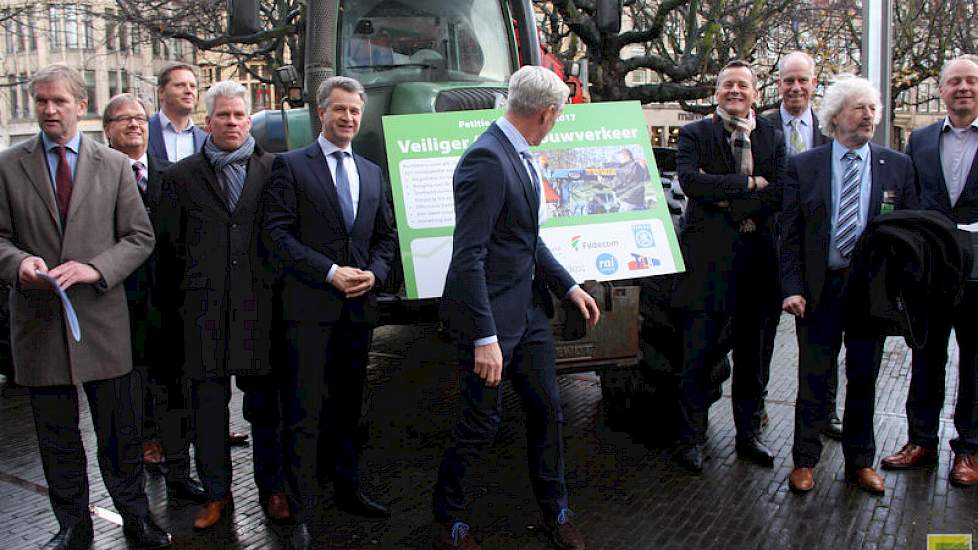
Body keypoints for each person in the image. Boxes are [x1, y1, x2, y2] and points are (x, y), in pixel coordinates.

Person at [431, 65, 601, 550]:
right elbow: (469, 257)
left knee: (548, 411)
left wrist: (568, 286)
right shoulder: (487, 159)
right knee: (480, 423)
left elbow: (525, 240)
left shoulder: (517, 153)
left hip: (528, 314)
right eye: (559, 116)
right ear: (547, 113)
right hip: (491, 322)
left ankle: (557, 510)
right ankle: (449, 517)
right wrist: (485, 339)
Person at [0, 64, 169, 549]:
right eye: (41, 101)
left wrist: (96, 269)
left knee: (120, 433)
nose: (49, 110)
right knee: (56, 438)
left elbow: (140, 237)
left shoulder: (113, 165)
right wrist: (20, 264)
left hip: (102, 321)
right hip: (38, 323)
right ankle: (73, 524)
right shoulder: (9, 166)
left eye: (59, 101)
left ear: (80, 105)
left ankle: (136, 517)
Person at [263, 75, 397, 550]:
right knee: (303, 412)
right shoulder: (290, 166)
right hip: (307, 312)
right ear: (322, 113)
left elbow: (385, 239)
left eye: (355, 111)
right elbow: (276, 236)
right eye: (339, 109)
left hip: (357, 313)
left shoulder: (373, 172)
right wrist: (329, 272)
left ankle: (348, 490)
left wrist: (375, 275)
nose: (348, 118)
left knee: (349, 409)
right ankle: (300, 511)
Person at [156, 80, 284, 529]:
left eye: (239, 115)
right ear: (207, 122)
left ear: (249, 120)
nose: (231, 122)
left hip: (259, 313)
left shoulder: (274, 171)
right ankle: (217, 494)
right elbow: (167, 251)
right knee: (207, 413)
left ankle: (272, 489)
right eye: (223, 116)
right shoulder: (179, 177)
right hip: (202, 315)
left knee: (266, 411)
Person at [781, 75, 918, 496]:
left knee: (864, 378)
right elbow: (788, 233)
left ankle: (860, 462)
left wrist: (898, 293)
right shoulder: (805, 165)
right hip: (819, 291)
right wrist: (791, 287)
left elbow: (907, 235)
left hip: (869, 293)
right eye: (859, 108)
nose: (868, 116)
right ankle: (804, 461)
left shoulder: (897, 165)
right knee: (813, 378)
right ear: (836, 116)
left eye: (872, 109)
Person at [672, 60, 786, 473]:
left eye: (743, 85)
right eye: (727, 85)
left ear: (756, 93)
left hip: (758, 266)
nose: (734, 91)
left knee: (753, 362)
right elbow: (690, 182)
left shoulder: (773, 136)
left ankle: (749, 435)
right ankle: (692, 439)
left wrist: (725, 200)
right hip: (707, 266)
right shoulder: (694, 134)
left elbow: (780, 191)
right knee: (698, 360)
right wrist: (750, 184)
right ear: (715, 92)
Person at [102, 93, 207, 504]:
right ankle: (133, 488)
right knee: (127, 401)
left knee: (175, 393)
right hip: (118, 309)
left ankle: (180, 470)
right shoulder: (99, 180)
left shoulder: (174, 176)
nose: (134, 125)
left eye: (139, 118)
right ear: (107, 130)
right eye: (122, 119)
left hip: (170, 308)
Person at [882, 55, 978, 486]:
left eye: (971, 81)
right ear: (941, 90)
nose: (963, 88)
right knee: (925, 357)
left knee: (975, 365)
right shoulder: (919, 141)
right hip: (932, 272)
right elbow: (906, 204)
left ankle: (970, 450)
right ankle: (920, 440)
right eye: (954, 81)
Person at [762, 51, 841, 439]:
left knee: (823, 340)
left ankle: (826, 410)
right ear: (778, 85)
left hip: (816, 255)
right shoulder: (761, 127)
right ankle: (756, 407)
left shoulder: (831, 131)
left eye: (802, 80)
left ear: (814, 83)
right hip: (767, 247)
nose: (795, 88)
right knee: (761, 337)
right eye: (788, 81)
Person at [148, 62, 208, 164]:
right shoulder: (144, 131)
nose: (189, 91)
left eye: (193, 86)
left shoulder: (205, 140)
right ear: (161, 92)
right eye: (180, 85)